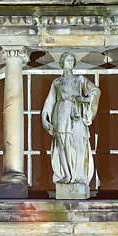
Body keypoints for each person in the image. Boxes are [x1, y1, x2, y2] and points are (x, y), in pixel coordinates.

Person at [41, 52, 100, 187]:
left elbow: (95, 91)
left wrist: (84, 99)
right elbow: (50, 101)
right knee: (62, 145)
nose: (70, 63)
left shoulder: (80, 79)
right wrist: (45, 119)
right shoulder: (57, 82)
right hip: (60, 112)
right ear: (62, 63)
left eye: (72, 60)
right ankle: (66, 174)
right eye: (67, 60)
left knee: (79, 144)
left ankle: (79, 175)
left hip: (76, 112)